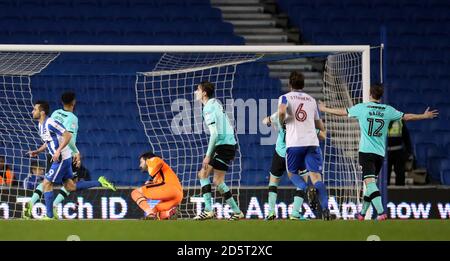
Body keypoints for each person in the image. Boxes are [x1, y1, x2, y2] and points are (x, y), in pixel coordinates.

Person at [319, 84, 438, 220]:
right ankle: (362, 214)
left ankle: (381, 213)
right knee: (370, 184)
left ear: (370, 94)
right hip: (380, 154)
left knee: (370, 184)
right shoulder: (388, 110)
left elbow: (342, 112)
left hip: (366, 153)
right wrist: (424, 116)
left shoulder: (362, 108)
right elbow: (407, 117)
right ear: (380, 96)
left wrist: (324, 109)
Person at [23, 100, 116, 219]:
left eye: (35, 109)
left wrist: (58, 151)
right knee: (70, 186)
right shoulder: (41, 125)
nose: (32, 111)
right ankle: (100, 182)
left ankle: (49, 216)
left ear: (42, 112)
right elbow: (48, 141)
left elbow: (67, 135)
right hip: (61, 158)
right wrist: (38, 151)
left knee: (46, 183)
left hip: (61, 158)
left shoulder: (51, 122)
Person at [278, 71, 331, 220]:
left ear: (290, 84)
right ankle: (326, 210)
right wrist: (321, 132)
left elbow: (282, 111)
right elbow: (320, 125)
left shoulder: (285, 97)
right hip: (312, 143)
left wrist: (282, 122)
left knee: (292, 173)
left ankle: (306, 189)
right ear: (303, 85)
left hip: (294, 143)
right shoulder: (312, 100)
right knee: (316, 177)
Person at [193, 81, 244, 220]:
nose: (195, 92)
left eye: (198, 89)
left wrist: (208, 155)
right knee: (211, 178)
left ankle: (210, 210)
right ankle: (237, 212)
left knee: (208, 176)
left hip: (224, 146)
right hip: (225, 144)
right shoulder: (215, 102)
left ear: (204, 93)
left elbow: (214, 134)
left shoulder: (208, 108)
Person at [262, 111, 326, 220]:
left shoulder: (279, 116)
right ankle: (295, 213)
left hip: (280, 153)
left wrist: (269, 122)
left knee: (273, 181)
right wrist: (320, 130)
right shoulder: (301, 123)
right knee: (303, 180)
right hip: (296, 155)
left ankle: (271, 212)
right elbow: (321, 134)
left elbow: (264, 121)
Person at [131, 152, 183, 220]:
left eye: (141, 162)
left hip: (169, 188)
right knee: (155, 211)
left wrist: (150, 178)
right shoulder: (158, 175)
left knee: (135, 193)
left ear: (146, 159)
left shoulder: (152, 159)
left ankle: (150, 214)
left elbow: (159, 163)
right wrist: (151, 181)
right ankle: (169, 213)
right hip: (178, 196)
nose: (140, 165)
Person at [387, 119, 413, 186]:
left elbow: (406, 137)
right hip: (386, 152)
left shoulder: (400, 121)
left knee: (400, 173)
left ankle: (400, 191)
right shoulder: (382, 120)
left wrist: (409, 152)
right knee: (385, 173)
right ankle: (384, 192)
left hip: (398, 151)